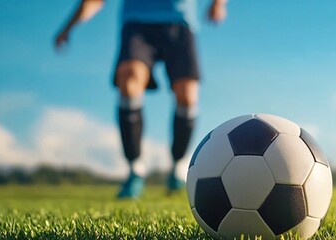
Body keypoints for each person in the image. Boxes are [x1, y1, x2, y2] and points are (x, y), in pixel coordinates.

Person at [54, 0, 227, 198]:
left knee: (187, 96)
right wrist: (68, 28)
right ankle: (135, 170)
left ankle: (178, 168)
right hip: (137, 24)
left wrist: (218, 3)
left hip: (180, 23)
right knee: (129, 80)